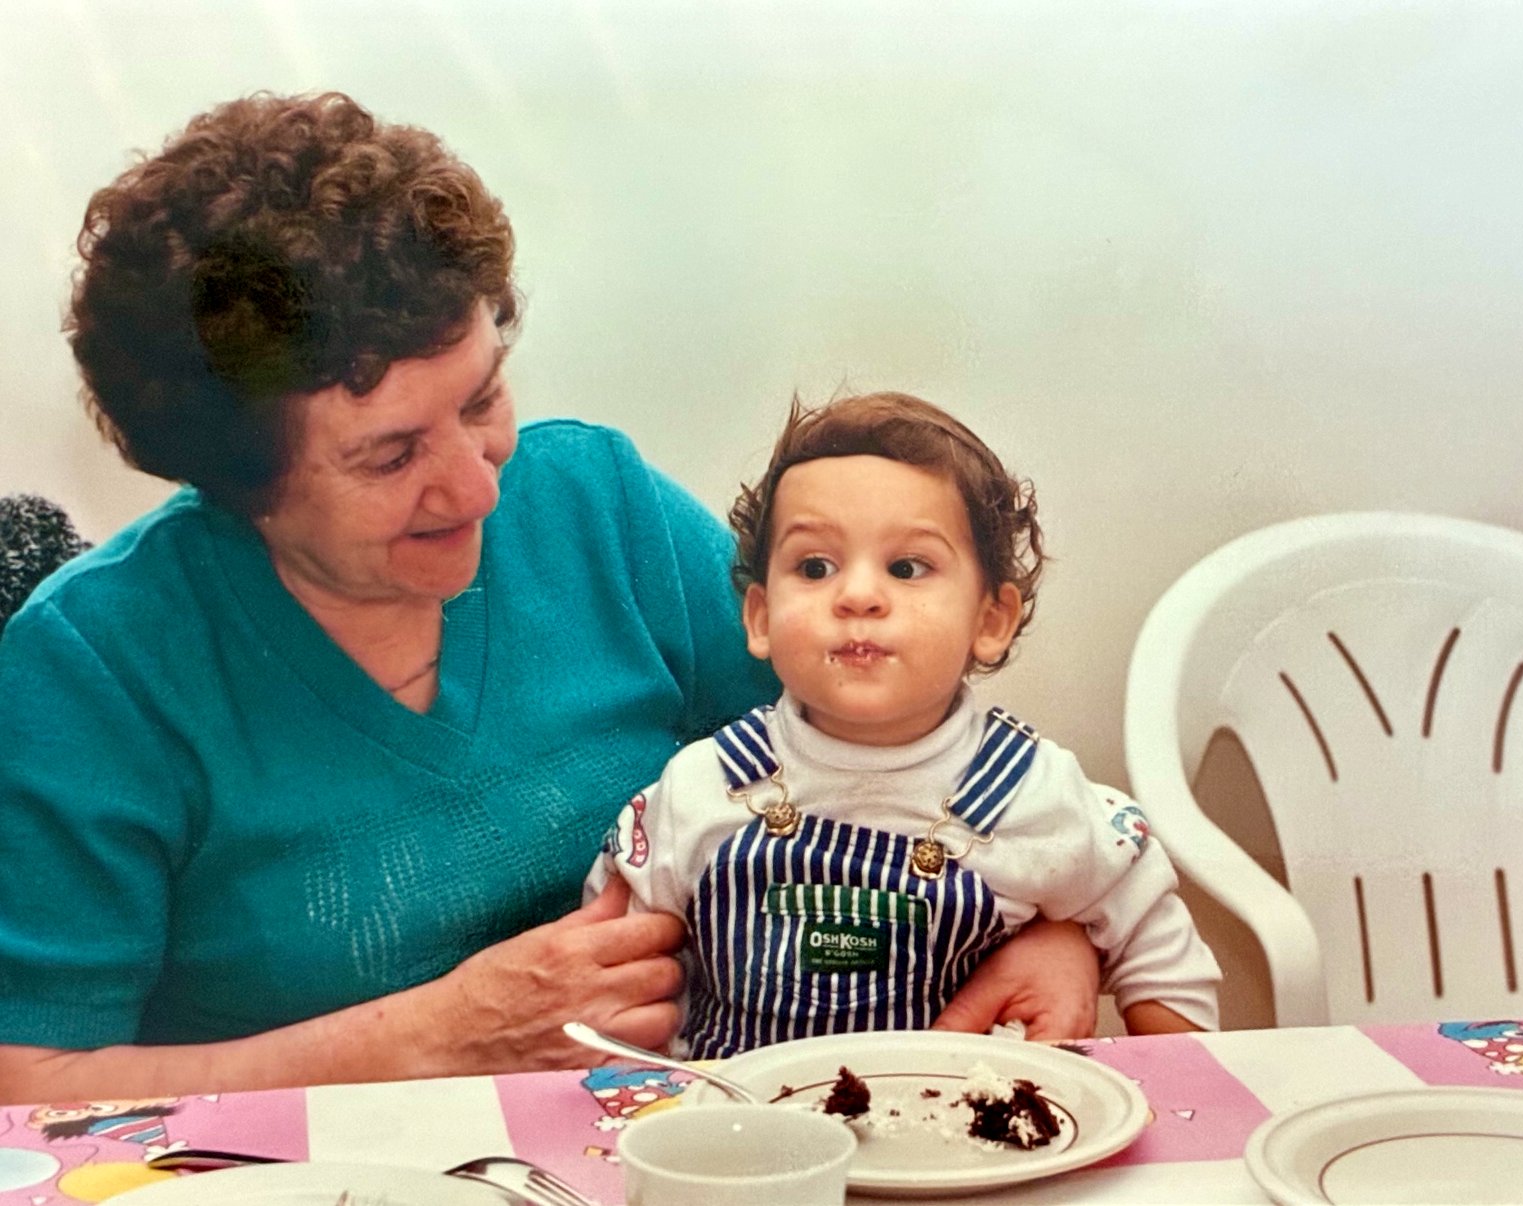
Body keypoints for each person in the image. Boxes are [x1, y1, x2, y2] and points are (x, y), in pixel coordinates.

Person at [0, 93, 1100, 1104]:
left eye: (483, 400)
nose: (479, 486)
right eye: (392, 457)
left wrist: (1046, 930)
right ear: (240, 485)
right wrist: (425, 1039)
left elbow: (893, 752)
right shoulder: (95, 667)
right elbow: (28, 1084)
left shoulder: (596, 505)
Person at [589, 393, 1220, 1058]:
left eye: (906, 568)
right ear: (761, 617)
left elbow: (1158, 944)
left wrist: (1178, 1081)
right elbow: (609, 987)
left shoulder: (1037, 793)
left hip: (962, 1118)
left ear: (991, 621)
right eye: (815, 567)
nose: (858, 595)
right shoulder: (698, 790)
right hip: (737, 1117)